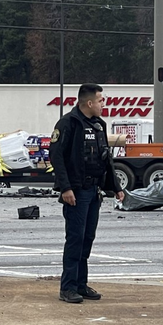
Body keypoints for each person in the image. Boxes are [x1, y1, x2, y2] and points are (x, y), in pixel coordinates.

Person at [49, 83, 125, 304]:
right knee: (75, 239)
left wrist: (116, 187)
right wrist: (66, 188)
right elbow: (57, 156)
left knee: (87, 239)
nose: (104, 104)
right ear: (89, 102)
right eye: (101, 100)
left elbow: (105, 159)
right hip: (76, 192)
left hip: (94, 191)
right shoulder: (68, 123)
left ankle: (81, 284)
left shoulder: (99, 125)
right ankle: (68, 288)